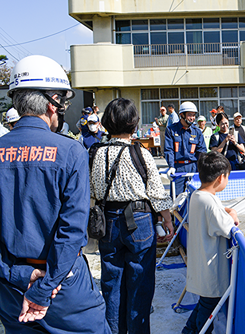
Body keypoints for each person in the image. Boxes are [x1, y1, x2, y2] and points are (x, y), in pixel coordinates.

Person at [0, 55, 111, 333]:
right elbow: (71, 232)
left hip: (10, 286)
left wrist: (15, 274)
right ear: (52, 103)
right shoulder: (70, 151)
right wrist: (43, 288)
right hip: (61, 284)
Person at [90, 98, 174, 334]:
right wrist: (167, 219)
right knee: (140, 282)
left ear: (106, 123)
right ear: (134, 123)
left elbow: (91, 191)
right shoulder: (140, 152)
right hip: (138, 220)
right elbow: (157, 193)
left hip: (107, 220)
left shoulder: (95, 153)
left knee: (111, 281)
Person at [182, 151, 239, 334]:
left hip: (199, 264)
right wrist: (234, 215)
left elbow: (215, 212)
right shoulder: (210, 202)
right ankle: (200, 331)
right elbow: (228, 227)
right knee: (208, 309)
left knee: (204, 304)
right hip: (211, 270)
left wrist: (225, 209)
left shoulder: (198, 195)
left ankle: (188, 331)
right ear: (221, 177)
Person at [165, 101, 207, 196]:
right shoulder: (171, 129)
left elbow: (202, 152)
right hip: (178, 168)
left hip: (193, 167)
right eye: (189, 115)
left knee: (195, 197)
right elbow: (169, 150)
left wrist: (202, 167)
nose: (192, 118)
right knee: (176, 199)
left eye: (193, 115)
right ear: (182, 115)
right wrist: (171, 166)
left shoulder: (197, 131)